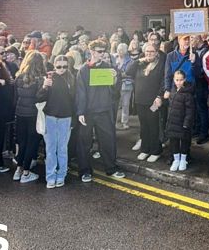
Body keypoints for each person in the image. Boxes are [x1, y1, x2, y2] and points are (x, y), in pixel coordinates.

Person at [76, 39, 125, 182]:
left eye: (104, 51)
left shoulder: (109, 68)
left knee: (108, 141)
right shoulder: (83, 70)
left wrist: (115, 79)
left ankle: (111, 168)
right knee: (84, 142)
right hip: (88, 112)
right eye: (99, 51)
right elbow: (80, 93)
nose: (102, 54)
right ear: (91, 52)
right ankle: (85, 170)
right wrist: (80, 112)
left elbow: (115, 92)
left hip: (104, 110)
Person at [40, 55, 75, 188]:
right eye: (59, 66)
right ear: (54, 66)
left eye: (64, 66)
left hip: (66, 118)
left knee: (62, 149)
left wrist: (74, 120)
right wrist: (44, 86)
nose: (62, 69)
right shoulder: (49, 78)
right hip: (50, 117)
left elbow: (75, 101)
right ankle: (50, 176)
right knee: (50, 149)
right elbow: (38, 98)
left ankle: (61, 175)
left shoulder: (72, 79)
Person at [127, 43, 165, 162]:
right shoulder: (140, 64)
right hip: (140, 101)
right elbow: (128, 71)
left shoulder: (160, 65)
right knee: (144, 126)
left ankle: (155, 151)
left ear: (156, 53)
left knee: (153, 125)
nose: (149, 53)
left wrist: (159, 96)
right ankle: (145, 149)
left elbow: (163, 82)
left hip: (153, 102)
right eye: (147, 51)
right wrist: (138, 60)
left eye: (152, 51)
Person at [7, 52, 40, 183]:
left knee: (22, 142)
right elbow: (40, 97)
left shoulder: (19, 77)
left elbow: (15, 97)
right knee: (32, 142)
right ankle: (26, 171)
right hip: (34, 113)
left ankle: (18, 170)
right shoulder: (39, 78)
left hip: (20, 112)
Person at [165, 70, 195, 172]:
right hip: (173, 122)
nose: (179, 82)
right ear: (174, 80)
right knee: (174, 141)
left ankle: (183, 160)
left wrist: (186, 123)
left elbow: (190, 111)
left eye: (181, 80)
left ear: (184, 79)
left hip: (183, 123)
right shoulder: (173, 91)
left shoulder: (188, 94)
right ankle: (176, 160)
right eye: (177, 80)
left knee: (185, 141)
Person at [114, 43, 135, 129]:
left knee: (125, 105)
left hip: (126, 85)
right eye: (118, 50)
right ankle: (114, 122)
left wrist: (118, 74)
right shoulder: (114, 58)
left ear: (126, 51)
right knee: (116, 105)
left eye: (122, 50)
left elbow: (129, 73)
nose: (120, 52)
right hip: (115, 85)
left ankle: (125, 122)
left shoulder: (131, 61)